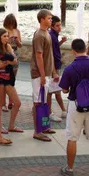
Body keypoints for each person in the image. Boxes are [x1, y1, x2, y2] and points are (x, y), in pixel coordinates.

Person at [58, 38, 89, 176]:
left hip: (75, 104)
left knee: (72, 137)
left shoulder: (69, 69)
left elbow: (64, 90)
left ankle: (70, 168)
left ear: (73, 51)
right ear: (86, 49)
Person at [31, 9, 57, 142]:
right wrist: (42, 75)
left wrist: (53, 72)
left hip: (45, 73)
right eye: (49, 18)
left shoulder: (46, 33)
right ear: (41, 19)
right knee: (37, 102)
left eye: (51, 18)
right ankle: (37, 131)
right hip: (39, 74)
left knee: (44, 101)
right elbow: (39, 55)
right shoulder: (39, 35)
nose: (51, 20)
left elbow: (49, 54)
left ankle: (44, 126)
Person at [0, 28, 22, 134]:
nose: (6, 38)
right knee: (0, 104)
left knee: (17, 102)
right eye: (4, 36)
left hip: (9, 77)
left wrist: (7, 61)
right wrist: (9, 61)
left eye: (7, 36)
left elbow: (15, 62)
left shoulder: (8, 46)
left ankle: (11, 125)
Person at [47, 16, 68, 123]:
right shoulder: (51, 36)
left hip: (55, 66)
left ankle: (63, 111)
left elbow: (54, 49)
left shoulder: (54, 36)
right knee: (52, 91)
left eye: (60, 25)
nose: (60, 27)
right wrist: (54, 71)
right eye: (57, 25)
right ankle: (50, 113)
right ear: (52, 26)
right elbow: (50, 55)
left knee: (55, 90)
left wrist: (61, 42)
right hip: (53, 67)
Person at [2, 13, 22, 112]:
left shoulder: (17, 31)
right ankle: (4, 103)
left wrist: (17, 41)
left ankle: (11, 100)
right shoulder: (4, 31)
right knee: (5, 77)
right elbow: (2, 44)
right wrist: (8, 40)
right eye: (10, 23)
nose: (11, 25)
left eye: (13, 23)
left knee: (12, 78)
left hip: (15, 54)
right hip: (7, 54)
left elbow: (20, 45)